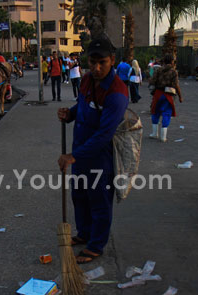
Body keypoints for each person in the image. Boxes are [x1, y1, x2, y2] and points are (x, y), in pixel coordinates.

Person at [56, 37, 128, 264]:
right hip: (80, 152)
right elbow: (83, 105)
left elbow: (104, 135)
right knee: (80, 196)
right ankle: (85, 233)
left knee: (98, 201)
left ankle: (96, 245)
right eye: (92, 62)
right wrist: (70, 114)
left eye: (102, 63)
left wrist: (72, 156)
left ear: (112, 60)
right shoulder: (87, 80)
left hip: (99, 158)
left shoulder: (118, 92)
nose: (96, 68)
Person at [149, 54, 183, 143]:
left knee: (155, 112)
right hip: (169, 94)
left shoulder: (158, 70)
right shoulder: (174, 72)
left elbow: (152, 81)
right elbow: (176, 85)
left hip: (158, 94)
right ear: (172, 61)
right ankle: (163, 137)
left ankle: (154, 133)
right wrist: (180, 96)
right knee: (166, 113)